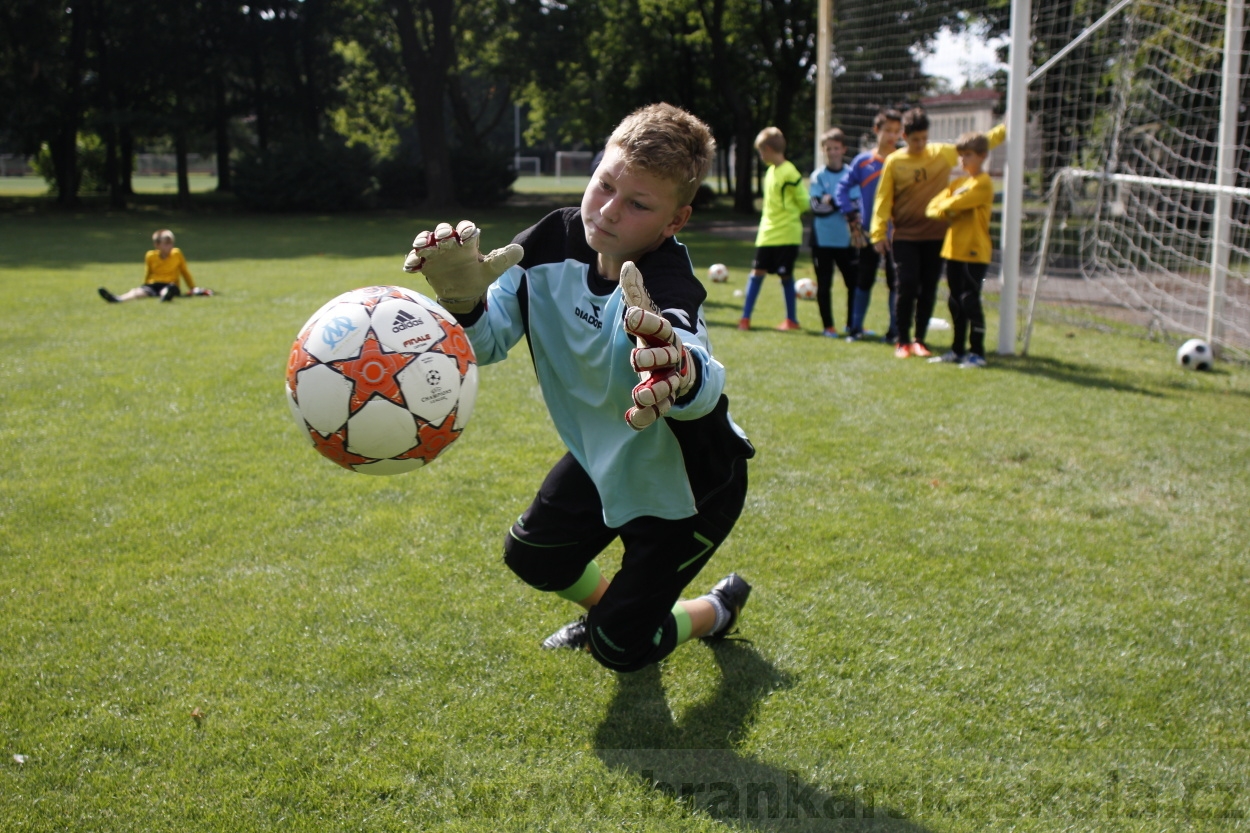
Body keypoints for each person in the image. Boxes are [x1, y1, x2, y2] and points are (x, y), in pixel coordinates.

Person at [401, 103, 755, 673]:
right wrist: (463, 303)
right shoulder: (545, 241)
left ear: (675, 221)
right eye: (605, 184)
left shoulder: (666, 282)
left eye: (639, 204)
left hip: (690, 488)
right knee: (534, 557)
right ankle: (615, 611)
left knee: (620, 650)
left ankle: (713, 609)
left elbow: (700, 372)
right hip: (603, 457)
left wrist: (680, 371)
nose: (610, 211)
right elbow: (487, 344)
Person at [869, 108, 1004, 358]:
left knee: (928, 288)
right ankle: (902, 340)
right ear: (904, 137)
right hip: (905, 235)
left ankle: (920, 339)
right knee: (907, 285)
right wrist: (878, 233)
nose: (920, 144)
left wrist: (1008, 127)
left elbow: (980, 143)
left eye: (924, 138)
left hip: (936, 236)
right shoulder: (895, 162)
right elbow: (883, 198)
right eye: (915, 139)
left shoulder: (941, 153)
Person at [925, 131, 996, 368]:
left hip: (974, 251)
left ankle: (977, 352)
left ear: (983, 156)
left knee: (969, 300)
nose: (963, 160)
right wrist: (949, 208)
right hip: (952, 249)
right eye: (961, 155)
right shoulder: (958, 183)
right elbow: (932, 208)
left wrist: (949, 207)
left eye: (968, 155)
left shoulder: (983, 183)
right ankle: (957, 350)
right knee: (954, 302)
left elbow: (956, 203)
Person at [835, 108, 903, 342]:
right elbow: (841, 189)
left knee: (896, 282)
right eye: (888, 131)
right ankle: (856, 328)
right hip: (868, 232)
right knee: (863, 279)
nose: (893, 136)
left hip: (897, 233)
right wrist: (851, 214)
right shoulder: (863, 162)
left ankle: (896, 331)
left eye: (897, 131)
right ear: (877, 130)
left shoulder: (901, 160)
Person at [737, 127, 809, 332]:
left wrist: (789, 212)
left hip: (787, 234)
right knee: (756, 273)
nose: (761, 156)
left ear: (768, 149)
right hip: (767, 234)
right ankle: (745, 318)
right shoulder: (770, 172)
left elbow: (804, 201)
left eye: (761, 151)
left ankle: (791, 320)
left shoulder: (790, 172)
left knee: (786, 276)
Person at [808, 128, 858, 338]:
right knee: (825, 284)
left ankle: (852, 325)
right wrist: (842, 203)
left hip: (847, 240)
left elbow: (855, 206)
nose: (833, 152)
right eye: (828, 148)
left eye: (836, 147)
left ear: (843, 149)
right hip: (822, 240)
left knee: (853, 284)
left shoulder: (851, 175)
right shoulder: (818, 176)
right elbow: (816, 208)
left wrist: (832, 200)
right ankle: (828, 326)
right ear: (823, 150)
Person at [98, 229, 197, 303]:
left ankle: (166, 297)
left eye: (171, 243)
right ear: (157, 245)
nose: (170, 246)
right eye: (166, 244)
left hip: (170, 284)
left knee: (167, 290)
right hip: (153, 283)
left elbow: (184, 271)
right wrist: (145, 285)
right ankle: (118, 299)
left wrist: (192, 288)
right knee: (139, 292)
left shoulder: (177, 254)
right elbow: (148, 272)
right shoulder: (150, 256)